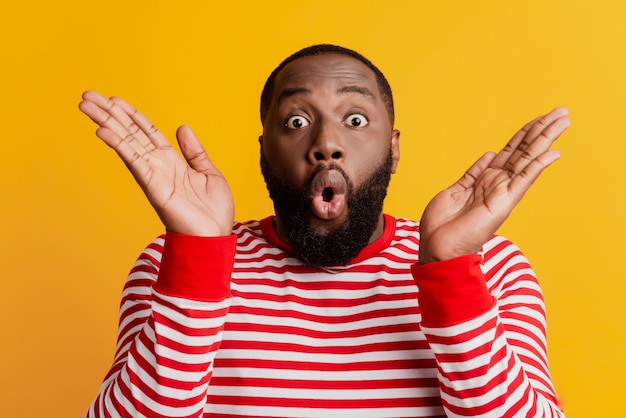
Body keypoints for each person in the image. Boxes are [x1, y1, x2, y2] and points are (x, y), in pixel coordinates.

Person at [79, 44, 569, 417]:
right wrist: (199, 255)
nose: (327, 143)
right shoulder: (175, 263)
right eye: (295, 121)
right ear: (264, 150)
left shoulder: (492, 267)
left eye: (355, 119)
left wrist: (451, 270)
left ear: (393, 149)